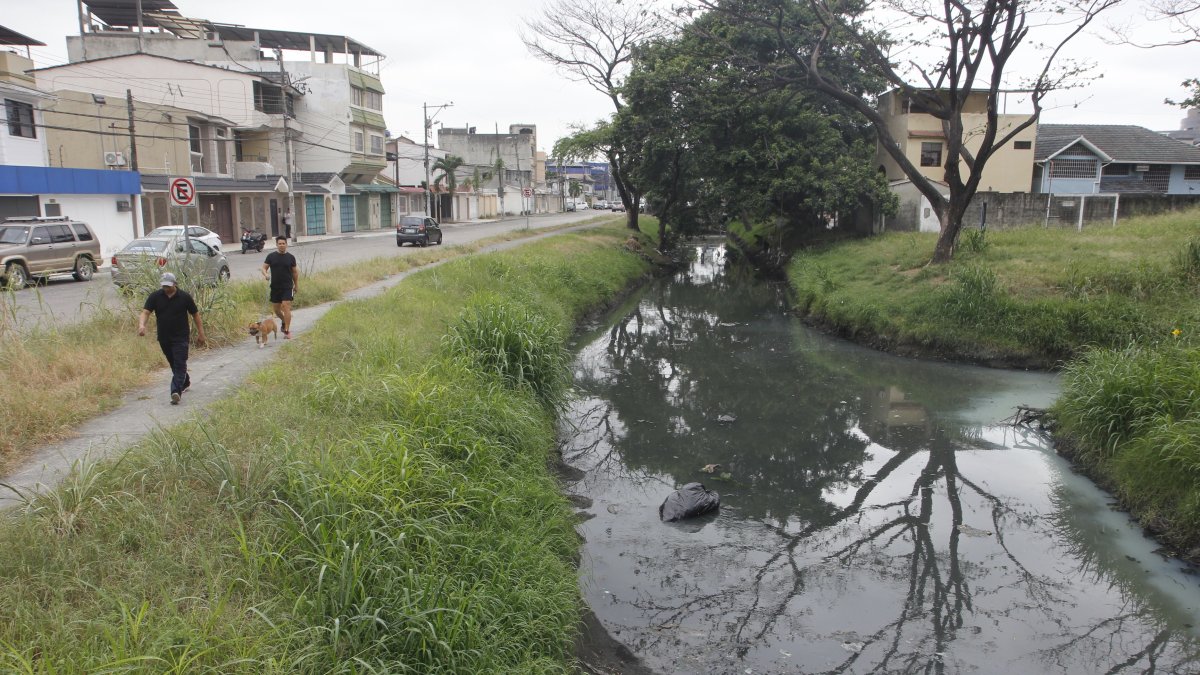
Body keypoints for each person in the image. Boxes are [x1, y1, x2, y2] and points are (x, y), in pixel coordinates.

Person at [138, 272, 206, 405]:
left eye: (168, 286)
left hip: (181, 337)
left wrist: (201, 333)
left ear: (175, 284)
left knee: (180, 363)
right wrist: (141, 325)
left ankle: (175, 391)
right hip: (164, 337)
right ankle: (185, 381)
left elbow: (195, 315)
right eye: (163, 286)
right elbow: (146, 312)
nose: (166, 288)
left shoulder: (184, 297)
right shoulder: (155, 296)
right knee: (173, 363)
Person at [262, 235, 298, 338]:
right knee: (277, 310)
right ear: (277, 245)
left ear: (286, 244)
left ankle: (286, 331)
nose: (282, 245)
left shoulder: (291, 257)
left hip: (287, 286)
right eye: (280, 244)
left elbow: (295, 273)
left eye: (283, 243)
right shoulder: (271, 256)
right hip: (275, 287)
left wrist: (296, 285)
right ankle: (283, 321)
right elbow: (264, 268)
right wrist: (266, 274)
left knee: (286, 306)